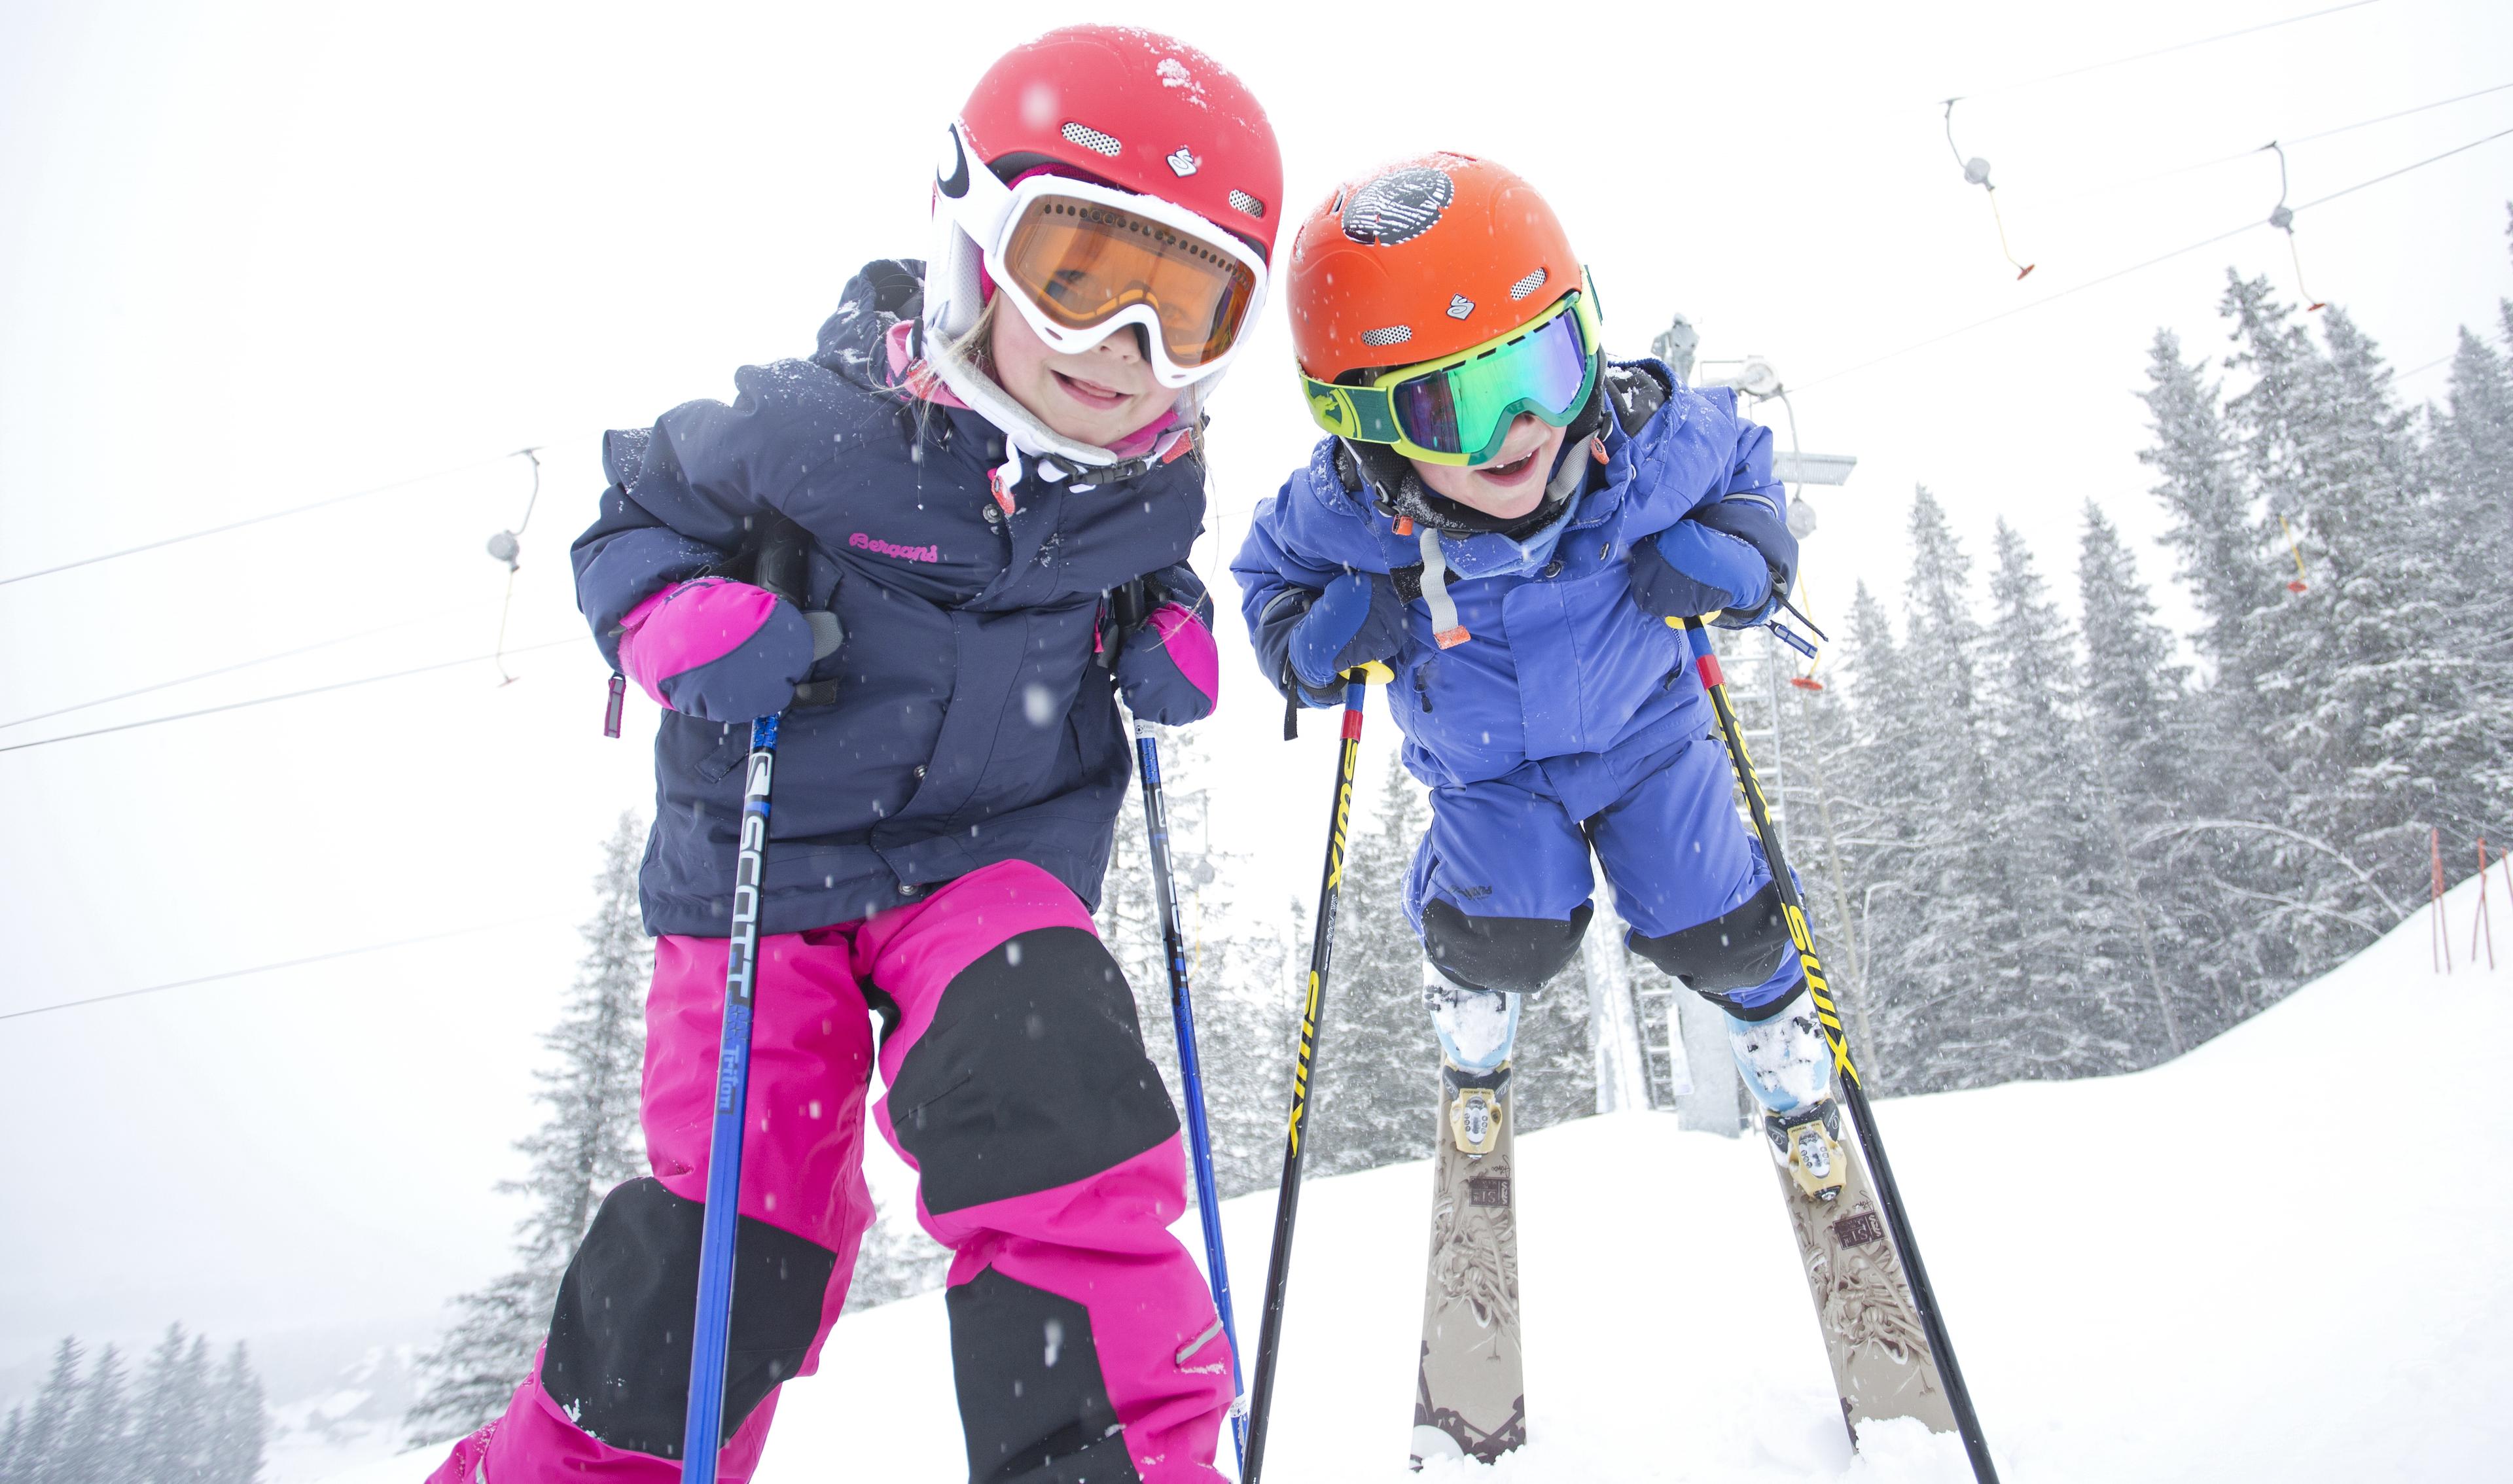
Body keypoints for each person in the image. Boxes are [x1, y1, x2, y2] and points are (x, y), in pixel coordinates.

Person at [429, 27, 1279, 1484]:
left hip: (992, 866)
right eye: (1078, 276)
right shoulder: (806, 431)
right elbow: (630, 520)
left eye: (1187, 310)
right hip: (771, 876)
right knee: (743, 1237)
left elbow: (1152, 582)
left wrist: (1171, 629)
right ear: (975, 242)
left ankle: (1120, 1462)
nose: (1124, 350)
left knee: (1060, 1104)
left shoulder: (1150, 485)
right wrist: (672, 618)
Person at [1233, 153, 1841, 1199]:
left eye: (1542, 370)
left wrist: (1742, 556)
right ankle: (1471, 989)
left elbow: (1745, 468)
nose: (1518, 429)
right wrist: (1311, 640)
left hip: (1651, 742)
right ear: (1364, 424)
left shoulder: (1646, 448)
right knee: (1504, 933)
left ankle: (1775, 1021)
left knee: (1717, 923)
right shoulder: (1350, 511)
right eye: (1452, 406)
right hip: (1489, 771)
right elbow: (1268, 576)